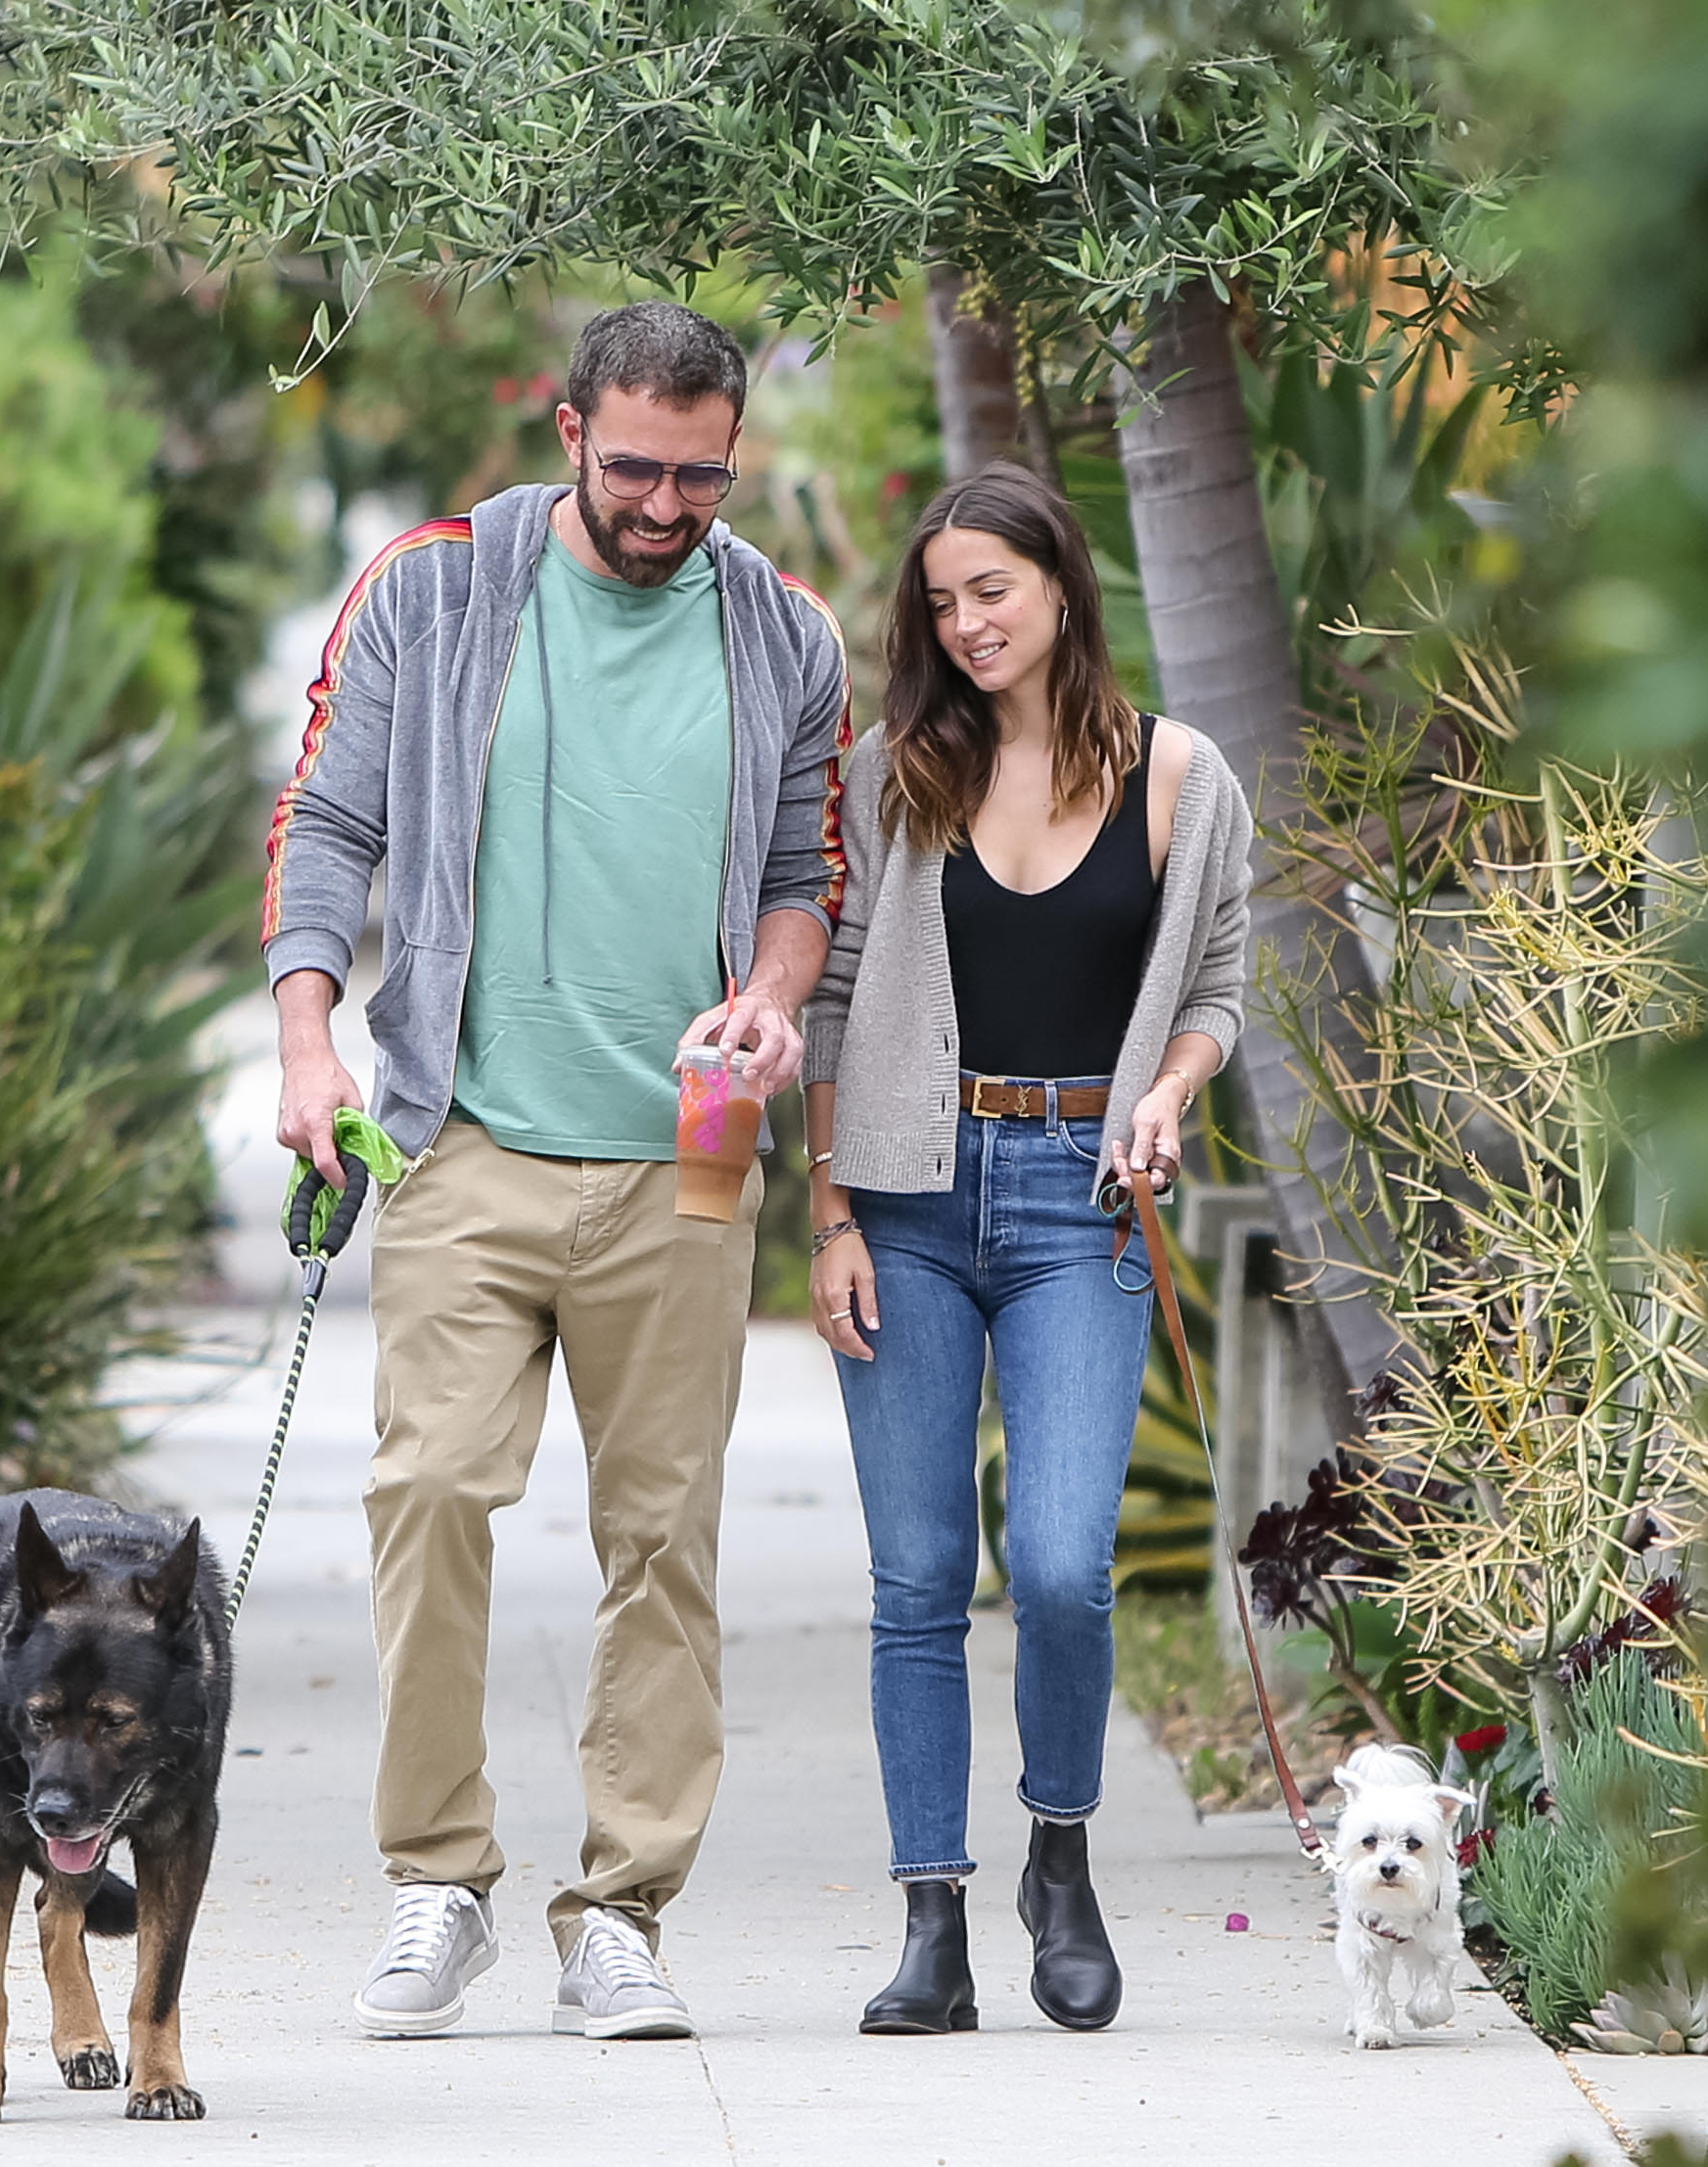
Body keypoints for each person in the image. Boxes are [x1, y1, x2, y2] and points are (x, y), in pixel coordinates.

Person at [261, 300, 850, 2042]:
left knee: (663, 1538)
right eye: (637, 466)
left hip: (683, 1160)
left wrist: (772, 996)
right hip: (465, 1138)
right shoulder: (432, 587)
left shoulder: (783, 630)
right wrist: (310, 1047)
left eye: (703, 473)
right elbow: (327, 823)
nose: (669, 504)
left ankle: (624, 1911)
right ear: (569, 427)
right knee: (431, 1491)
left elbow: (809, 874)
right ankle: (438, 1881)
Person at [800, 460, 1254, 2035]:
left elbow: (1217, 987)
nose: (968, 621)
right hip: (909, 1202)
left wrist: (1174, 1092)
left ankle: (1059, 1859)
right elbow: (835, 1001)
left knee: (1062, 1565)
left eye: (990, 586)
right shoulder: (892, 771)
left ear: (1061, 583)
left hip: (1082, 1197)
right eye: (941, 601)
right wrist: (833, 1215)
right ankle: (933, 1919)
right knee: (917, 1575)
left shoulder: (1181, 778)